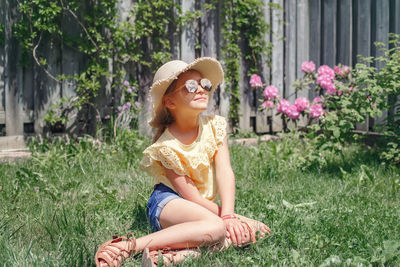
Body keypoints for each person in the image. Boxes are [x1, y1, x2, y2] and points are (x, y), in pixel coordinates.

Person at [95, 57, 270, 267]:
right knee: (217, 228)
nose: (201, 89)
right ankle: (127, 246)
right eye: (190, 86)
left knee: (259, 230)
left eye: (204, 84)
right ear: (170, 102)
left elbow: (225, 171)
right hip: (169, 203)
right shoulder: (166, 146)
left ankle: (171, 258)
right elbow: (192, 197)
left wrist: (230, 215)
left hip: (203, 210)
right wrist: (227, 220)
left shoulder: (216, 127)